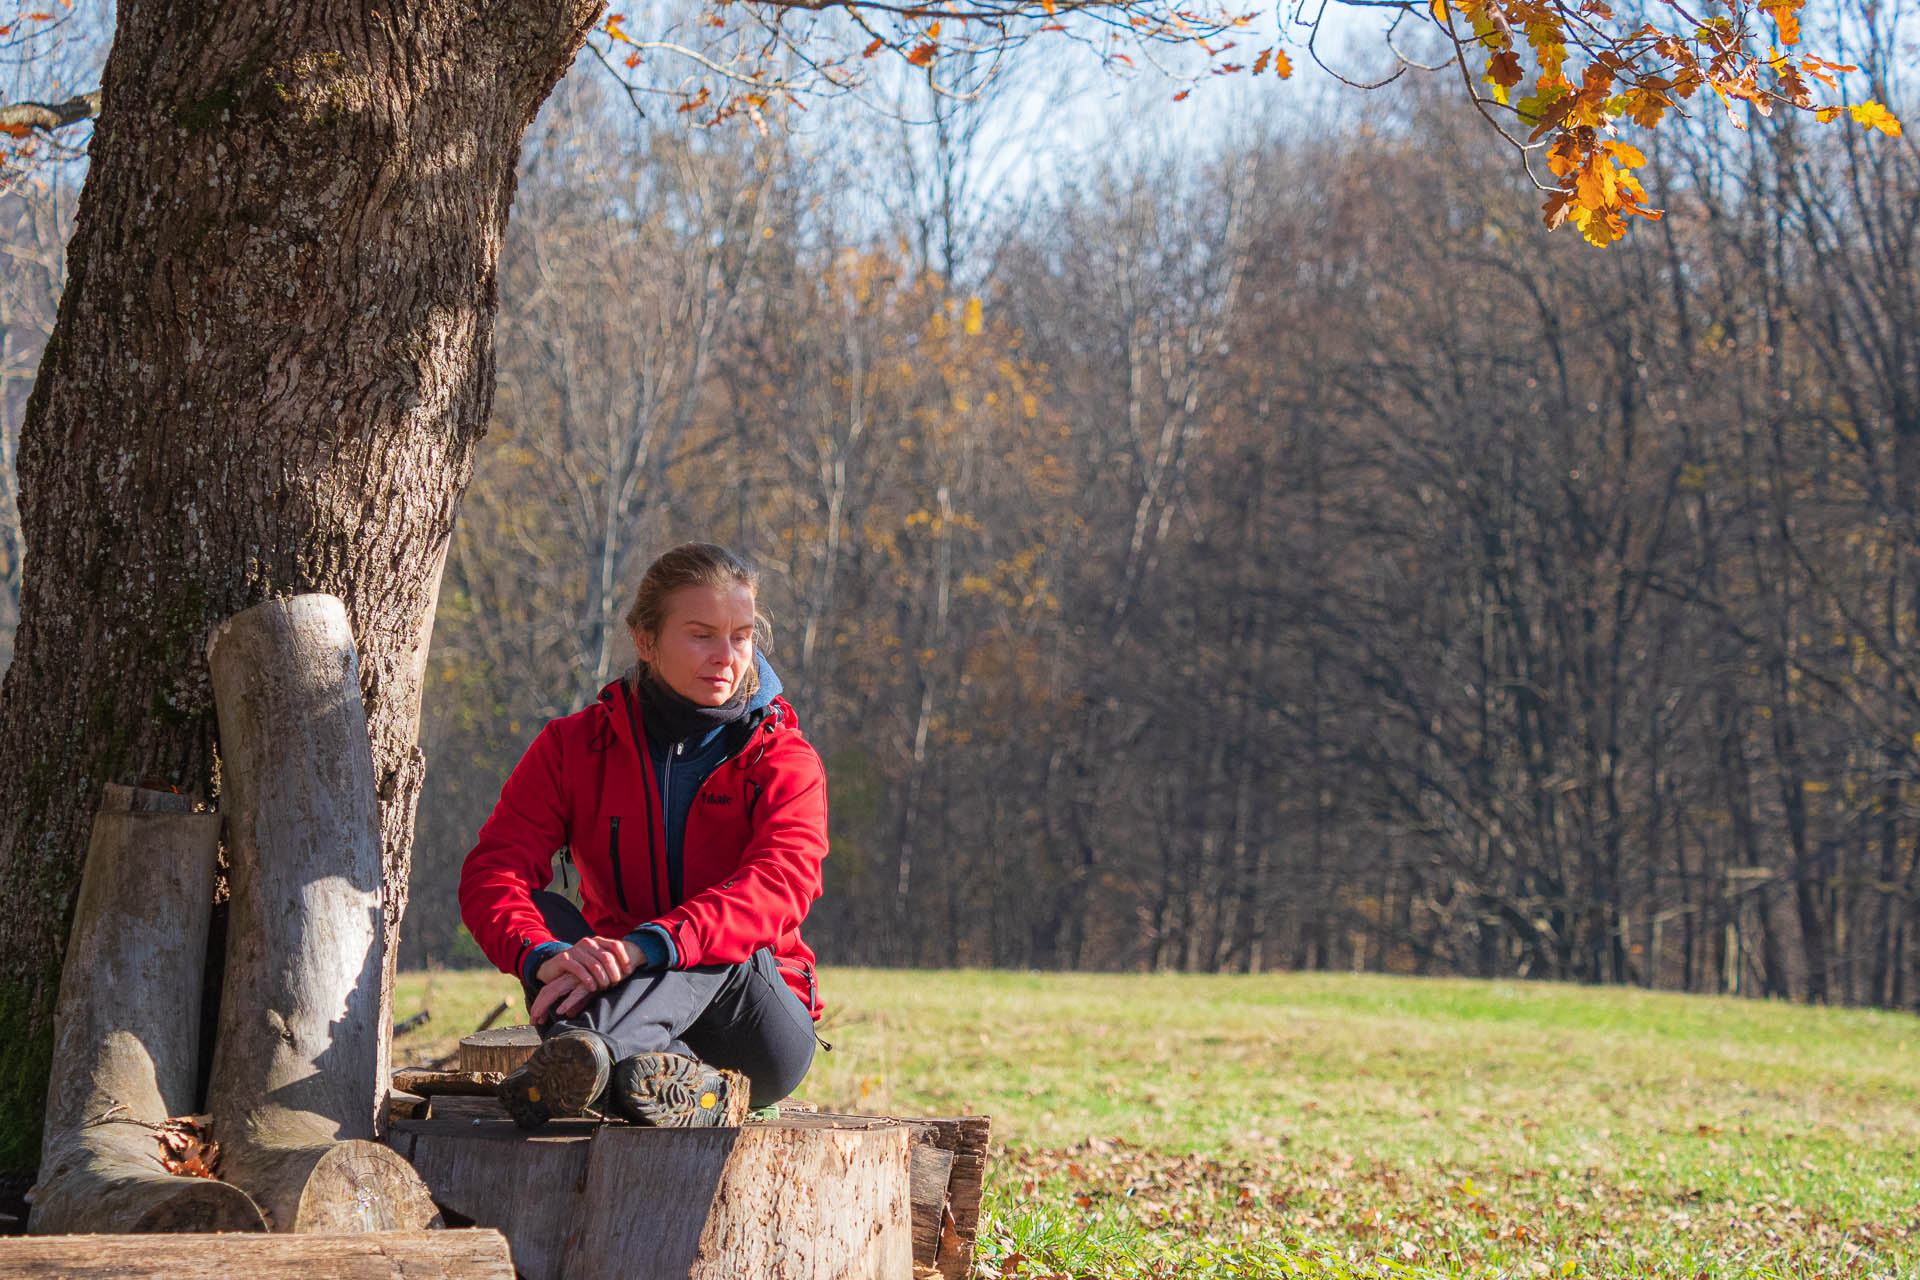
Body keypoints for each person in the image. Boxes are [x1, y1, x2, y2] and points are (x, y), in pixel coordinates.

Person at [458, 542, 826, 1128]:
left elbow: (781, 884)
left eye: (741, 636)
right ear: (645, 641)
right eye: (702, 635)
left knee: (721, 934)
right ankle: (651, 1082)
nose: (725, 657)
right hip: (611, 984)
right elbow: (493, 872)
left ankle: (585, 1057)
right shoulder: (572, 747)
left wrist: (649, 944)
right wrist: (545, 955)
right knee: (547, 912)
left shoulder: (782, 757)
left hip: (755, 1032)